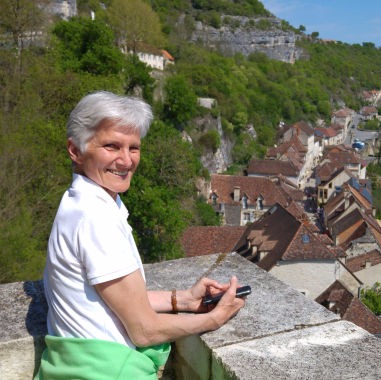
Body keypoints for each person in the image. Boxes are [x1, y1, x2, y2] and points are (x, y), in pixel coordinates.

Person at [37, 91, 245, 379]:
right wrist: (213, 319)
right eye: (112, 146)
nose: (126, 161)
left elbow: (114, 299)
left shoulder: (81, 201)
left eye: (133, 148)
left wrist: (183, 299)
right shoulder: (95, 218)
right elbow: (144, 330)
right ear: (75, 150)